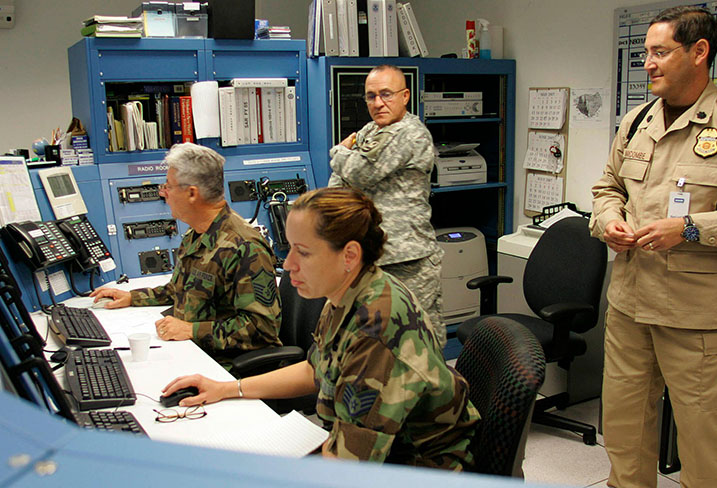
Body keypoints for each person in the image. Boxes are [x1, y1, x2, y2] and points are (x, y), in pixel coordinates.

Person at [591, 6, 717, 487]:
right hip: (629, 308)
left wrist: (688, 229)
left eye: (660, 52)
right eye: (646, 53)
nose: (648, 63)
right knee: (623, 437)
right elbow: (607, 188)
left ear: (699, 52)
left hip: (698, 318)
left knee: (704, 447)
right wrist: (610, 222)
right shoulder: (636, 121)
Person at [163, 187, 479, 469]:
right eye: (290, 249)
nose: (287, 265)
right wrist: (225, 389)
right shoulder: (347, 292)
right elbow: (315, 370)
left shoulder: (377, 329)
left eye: (304, 252)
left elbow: (348, 465)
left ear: (349, 255)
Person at [90, 143, 282, 365]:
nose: (163, 194)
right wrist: (133, 297)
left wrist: (192, 330)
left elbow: (263, 329)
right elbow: (182, 290)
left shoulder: (245, 247)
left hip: (225, 367)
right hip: (190, 352)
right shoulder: (197, 235)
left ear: (192, 193)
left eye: (168, 186)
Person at [328, 64, 446, 348]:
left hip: (409, 260)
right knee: (377, 341)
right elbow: (338, 186)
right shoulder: (370, 130)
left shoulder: (410, 133)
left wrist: (338, 151)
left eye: (386, 94)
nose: (378, 103)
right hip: (374, 255)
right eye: (371, 96)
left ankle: (438, 392)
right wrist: (346, 161)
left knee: (419, 339)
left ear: (405, 96)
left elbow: (361, 173)